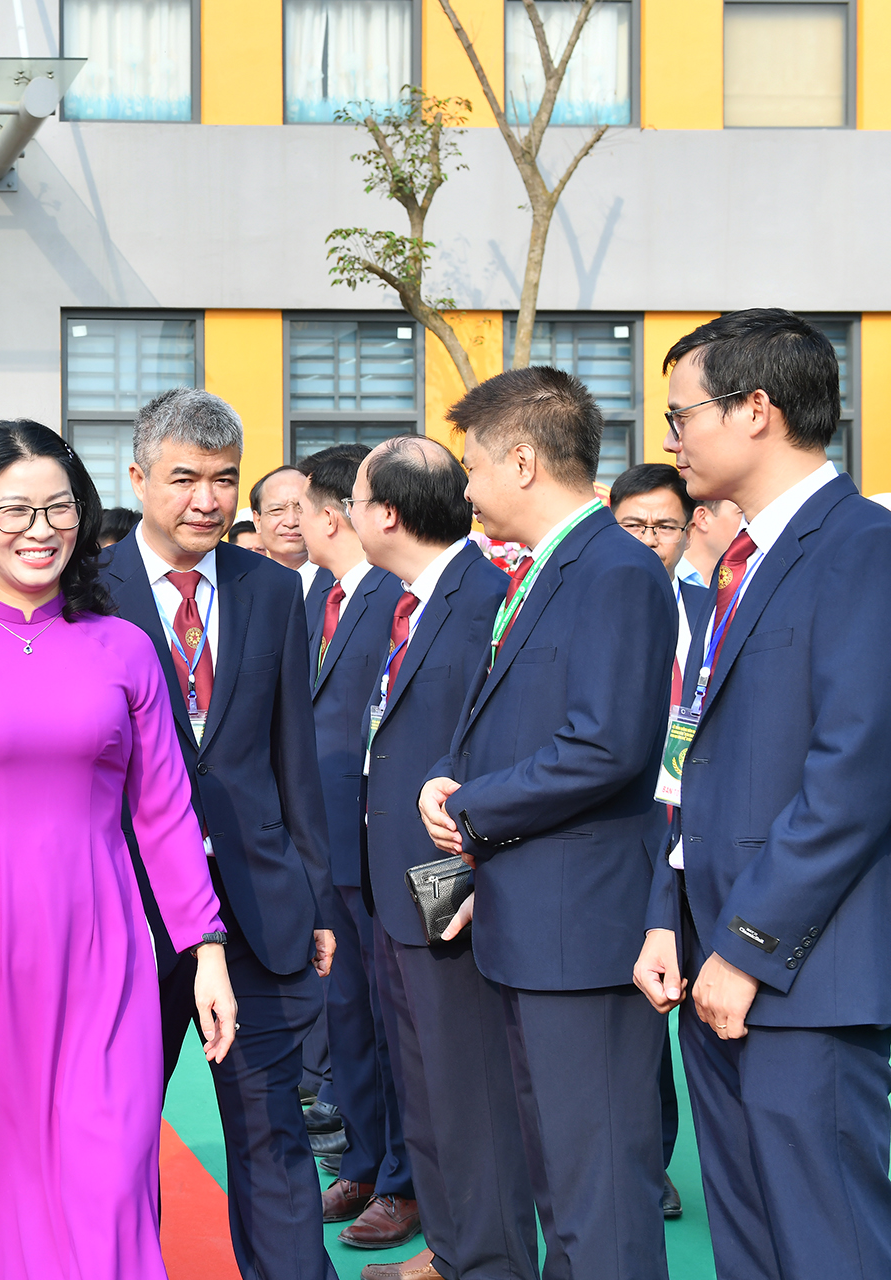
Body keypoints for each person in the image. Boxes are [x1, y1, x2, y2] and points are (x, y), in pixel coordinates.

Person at [0, 419, 236, 1280]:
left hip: (105, 952)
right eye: (16, 510)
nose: (40, 529)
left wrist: (205, 947)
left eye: (58, 508)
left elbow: (166, 813)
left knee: (106, 1184)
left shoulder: (125, 648)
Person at [635, 309, 891, 1280]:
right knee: (747, 1241)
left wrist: (746, 944)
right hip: (719, 963)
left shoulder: (861, 546)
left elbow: (852, 775)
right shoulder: (746, 564)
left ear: (755, 409)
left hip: (799, 974)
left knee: (827, 1241)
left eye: (681, 413)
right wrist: (674, 921)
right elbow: (701, 765)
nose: (670, 438)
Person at [419, 366, 675, 1280]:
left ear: (522, 460)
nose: (467, 486)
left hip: (585, 929)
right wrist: (457, 781)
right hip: (537, 923)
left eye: (473, 465)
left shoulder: (614, 572)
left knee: (597, 1193)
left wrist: (473, 807)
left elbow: (603, 745)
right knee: (563, 1187)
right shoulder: (550, 571)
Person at [100, 389, 338, 1280]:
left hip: (259, 906)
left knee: (275, 1136)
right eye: (184, 478)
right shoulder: (90, 590)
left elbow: (293, 757)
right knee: (122, 1142)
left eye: (224, 479)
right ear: (138, 477)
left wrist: (313, 892)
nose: (207, 499)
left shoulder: (272, 589)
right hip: (131, 914)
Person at [351, 436, 536, 1280]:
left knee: (471, 1097)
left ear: (386, 514)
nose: (348, 515)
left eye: (354, 499)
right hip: (397, 892)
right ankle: (454, 1248)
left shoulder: (485, 602)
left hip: (450, 890)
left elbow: (499, 754)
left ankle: (489, 1258)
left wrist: (470, 873)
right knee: (426, 1092)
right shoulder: (410, 600)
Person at [296, 443, 418, 1251]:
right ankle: (367, 1161)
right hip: (323, 851)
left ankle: (408, 1183)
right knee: (348, 1023)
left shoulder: (393, 597)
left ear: (334, 514)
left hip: (380, 849)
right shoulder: (315, 600)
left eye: (301, 509)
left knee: (395, 1025)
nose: (293, 523)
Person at [609, 461, 711, 1221]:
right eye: (635, 525)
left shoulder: (719, 610)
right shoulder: (593, 607)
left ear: (690, 529)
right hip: (620, 829)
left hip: (698, 827)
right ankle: (639, 1156)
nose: (651, 540)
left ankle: (663, 1153)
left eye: (665, 526)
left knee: (700, 1003)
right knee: (632, 1003)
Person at [249, 465, 318, 594]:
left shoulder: (339, 584)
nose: (291, 522)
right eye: (277, 510)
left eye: (300, 508)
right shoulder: (242, 586)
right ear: (257, 521)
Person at [676, 495, 741, 589]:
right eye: (741, 513)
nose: (748, 522)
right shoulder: (664, 577)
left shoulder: (741, 582)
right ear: (703, 518)